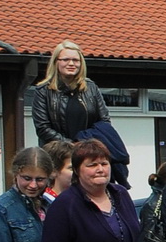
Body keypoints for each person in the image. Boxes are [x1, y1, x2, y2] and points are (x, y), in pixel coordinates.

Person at [30, 40, 127, 187]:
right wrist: (71, 146)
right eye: (66, 59)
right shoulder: (43, 91)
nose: (71, 63)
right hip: (58, 158)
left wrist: (88, 146)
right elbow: (43, 127)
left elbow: (104, 121)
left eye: (76, 60)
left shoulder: (91, 88)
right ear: (56, 62)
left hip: (88, 155)